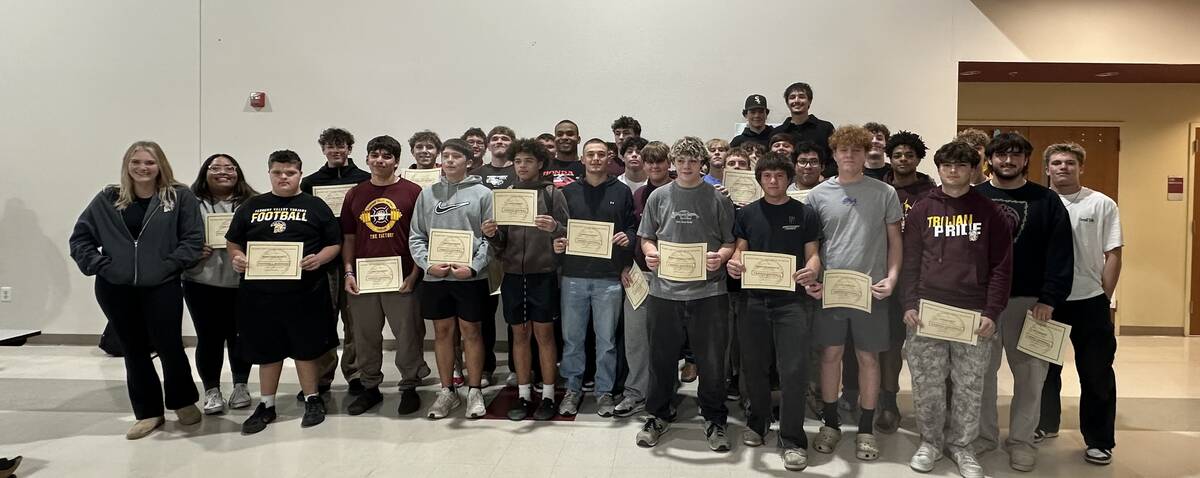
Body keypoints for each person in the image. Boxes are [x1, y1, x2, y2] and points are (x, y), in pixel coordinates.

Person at [69, 140, 205, 440]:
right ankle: (148, 413)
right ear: (127, 166)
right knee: (134, 350)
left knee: (169, 345)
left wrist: (167, 265)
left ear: (160, 166)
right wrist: (100, 265)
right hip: (115, 288)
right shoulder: (108, 198)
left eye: (149, 163)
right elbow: (80, 238)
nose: (143, 168)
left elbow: (193, 239)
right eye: (136, 163)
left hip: (162, 284)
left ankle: (183, 401)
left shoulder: (179, 197)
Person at [900, 141, 1013, 478]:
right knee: (927, 383)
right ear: (938, 169)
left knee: (969, 385)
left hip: (973, 315)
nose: (953, 171)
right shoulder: (922, 208)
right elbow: (909, 261)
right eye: (947, 165)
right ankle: (931, 442)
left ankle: (963, 445)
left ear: (973, 169)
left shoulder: (990, 211)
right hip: (927, 313)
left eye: (961, 165)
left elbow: (1002, 266)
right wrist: (908, 303)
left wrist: (992, 311)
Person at [973, 132, 1074, 472]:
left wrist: (1049, 298)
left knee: (1031, 378)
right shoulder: (975, 198)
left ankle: (1021, 441)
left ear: (1026, 160)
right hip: (983, 303)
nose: (1008, 161)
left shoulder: (1046, 201)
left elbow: (1061, 254)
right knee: (982, 375)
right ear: (990, 159)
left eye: (1016, 155)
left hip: (1031, 303)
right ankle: (984, 437)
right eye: (1001, 155)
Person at [227, 150, 342, 434]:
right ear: (270, 173)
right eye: (278, 172)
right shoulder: (252, 206)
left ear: (299, 174)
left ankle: (313, 399)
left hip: (306, 292)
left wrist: (321, 258)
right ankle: (266, 404)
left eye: (289, 173)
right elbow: (233, 241)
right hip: (260, 295)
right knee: (268, 352)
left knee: (306, 349)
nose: (283, 178)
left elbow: (334, 243)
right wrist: (237, 258)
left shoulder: (315, 206)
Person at [806, 125, 903, 461]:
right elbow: (812, 246)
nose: (849, 155)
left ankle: (865, 428)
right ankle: (830, 424)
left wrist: (891, 278)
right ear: (833, 154)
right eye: (843, 150)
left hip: (871, 291)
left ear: (866, 154)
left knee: (868, 358)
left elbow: (895, 242)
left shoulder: (884, 193)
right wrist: (811, 279)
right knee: (830, 356)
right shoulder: (817, 195)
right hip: (830, 292)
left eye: (856, 150)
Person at [634, 137, 736, 452]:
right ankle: (657, 414)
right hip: (665, 292)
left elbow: (730, 242)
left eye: (693, 161)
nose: (687, 166)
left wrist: (721, 256)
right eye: (681, 160)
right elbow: (647, 237)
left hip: (709, 291)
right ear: (674, 163)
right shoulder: (658, 196)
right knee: (661, 359)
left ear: (702, 164)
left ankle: (715, 418)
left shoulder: (719, 199)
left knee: (712, 361)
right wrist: (650, 254)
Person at [725, 152, 823, 471]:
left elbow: (813, 255)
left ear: (788, 178)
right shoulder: (749, 213)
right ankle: (758, 422)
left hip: (792, 302)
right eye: (767, 176)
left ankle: (793, 439)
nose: (773, 181)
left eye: (779, 176)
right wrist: (736, 263)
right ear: (759, 179)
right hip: (753, 300)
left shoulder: (805, 213)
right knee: (754, 366)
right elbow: (740, 249)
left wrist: (812, 271)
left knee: (793, 370)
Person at [1038, 142, 1122, 466]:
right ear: (1047, 168)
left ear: (1080, 168)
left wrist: (1105, 295)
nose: (1063, 168)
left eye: (1070, 163)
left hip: (1089, 301)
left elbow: (1113, 253)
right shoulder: (1038, 202)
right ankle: (1044, 424)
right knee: (1043, 370)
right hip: (1046, 301)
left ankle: (1099, 440)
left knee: (1096, 371)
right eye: (1056, 162)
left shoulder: (1101, 204)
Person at [339, 135, 430, 417]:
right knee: (365, 336)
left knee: (408, 335)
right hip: (364, 279)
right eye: (375, 155)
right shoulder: (355, 194)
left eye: (387, 156)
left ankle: (410, 385)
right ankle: (369, 387)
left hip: (403, 277)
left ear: (396, 161)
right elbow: (349, 237)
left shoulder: (413, 192)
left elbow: (422, 237)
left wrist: (415, 275)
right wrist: (349, 272)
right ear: (367, 159)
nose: (380, 160)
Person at [482, 138, 568, 421]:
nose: (522, 166)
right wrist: (493, 234)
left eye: (528, 161)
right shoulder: (505, 194)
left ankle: (547, 395)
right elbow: (500, 244)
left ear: (540, 163)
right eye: (518, 161)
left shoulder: (552, 194)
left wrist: (554, 227)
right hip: (512, 276)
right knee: (519, 334)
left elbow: (568, 234)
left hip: (543, 275)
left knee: (544, 335)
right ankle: (522, 393)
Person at [409, 139, 495, 419]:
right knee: (443, 334)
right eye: (445, 156)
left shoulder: (483, 194)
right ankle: (447, 391)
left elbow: (490, 239)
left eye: (455, 157)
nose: (449, 161)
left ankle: (474, 390)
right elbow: (416, 236)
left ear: (468, 161)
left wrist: (473, 267)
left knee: (472, 332)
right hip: (436, 279)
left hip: (469, 278)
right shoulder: (427, 194)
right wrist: (427, 265)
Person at [552, 138, 637, 419]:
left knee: (607, 341)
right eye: (591, 155)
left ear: (610, 158)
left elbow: (632, 228)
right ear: (583, 158)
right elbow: (560, 230)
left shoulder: (622, 191)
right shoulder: (568, 192)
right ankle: (573, 390)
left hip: (608, 278)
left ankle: (604, 392)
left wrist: (629, 238)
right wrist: (559, 242)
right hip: (573, 277)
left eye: (601, 154)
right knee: (573, 339)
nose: (596, 159)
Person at [184, 153, 258, 415]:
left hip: (242, 282)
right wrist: (191, 250)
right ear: (205, 171)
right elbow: (174, 237)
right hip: (201, 281)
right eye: (216, 167)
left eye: (230, 167)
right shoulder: (189, 202)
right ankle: (212, 390)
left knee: (240, 336)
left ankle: (241, 385)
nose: (223, 172)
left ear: (238, 172)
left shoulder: (254, 201)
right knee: (209, 338)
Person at [300, 127, 370, 396]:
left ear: (350, 149)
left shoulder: (364, 180)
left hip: (357, 258)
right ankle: (322, 377)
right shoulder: (311, 183)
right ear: (323, 149)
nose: (336, 150)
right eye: (330, 146)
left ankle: (355, 374)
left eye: (341, 145)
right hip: (324, 261)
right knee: (323, 320)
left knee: (355, 321)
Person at [876, 131, 934, 432]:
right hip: (883, 275)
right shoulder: (879, 189)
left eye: (909, 155)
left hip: (919, 278)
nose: (903, 160)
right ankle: (887, 402)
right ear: (890, 157)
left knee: (922, 346)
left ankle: (931, 408)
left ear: (918, 159)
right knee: (887, 344)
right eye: (897, 155)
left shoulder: (931, 193)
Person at [617, 140, 673, 418]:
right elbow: (631, 233)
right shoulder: (637, 195)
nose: (654, 166)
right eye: (650, 161)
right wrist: (626, 265)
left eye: (659, 161)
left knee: (665, 341)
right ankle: (636, 392)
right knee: (636, 339)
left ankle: (665, 393)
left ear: (668, 163)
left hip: (673, 277)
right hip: (639, 275)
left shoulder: (681, 192)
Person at [470, 125, 517, 386]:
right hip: (483, 252)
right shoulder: (476, 175)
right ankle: (485, 367)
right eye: (495, 138)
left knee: (513, 314)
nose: (500, 142)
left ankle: (515, 366)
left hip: (512, 251)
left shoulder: (519, 172)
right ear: (487, 146)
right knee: (483, 313)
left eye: (505, 138)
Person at [772, 82, 836, 178]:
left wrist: (822, 175)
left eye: (801, 96)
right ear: (787, 103)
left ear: (809, 101)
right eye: (792, 97)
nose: (796, 100)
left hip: (821, 182)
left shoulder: (825, 128)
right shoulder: (777, 132)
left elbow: (835, 159)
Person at [544, 120, 586, 188]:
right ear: (555, 140)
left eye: (570, 134)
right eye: (560, 134)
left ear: (578, 139)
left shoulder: (586, 167)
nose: (564, 137)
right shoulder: (543, 166)